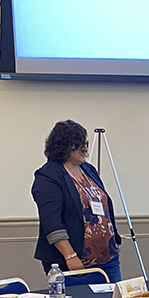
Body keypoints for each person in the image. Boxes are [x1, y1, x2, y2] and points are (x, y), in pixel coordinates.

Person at [32, 120, 122, 281]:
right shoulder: (48, 176)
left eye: (85, 144)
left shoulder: (89, 170)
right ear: (64, 145)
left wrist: (113, 240)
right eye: (80, 144)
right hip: (73, 262)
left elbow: (103, 207)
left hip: (108, 260)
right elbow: (51, 223)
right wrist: (70, 256)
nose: (85, 149)